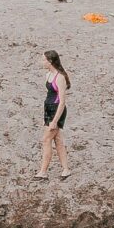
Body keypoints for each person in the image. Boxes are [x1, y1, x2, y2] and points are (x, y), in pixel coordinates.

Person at [36, 51, 71, 179]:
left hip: (57, 110)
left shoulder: (60, 77)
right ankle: (66, 169)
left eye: (43, 60)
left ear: (50, 61)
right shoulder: (48, 75)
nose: (42, 62)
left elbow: (62, 102)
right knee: (58, 140)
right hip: (48, 109)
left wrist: (55, 121)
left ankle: (43, 172)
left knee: (46, 140)